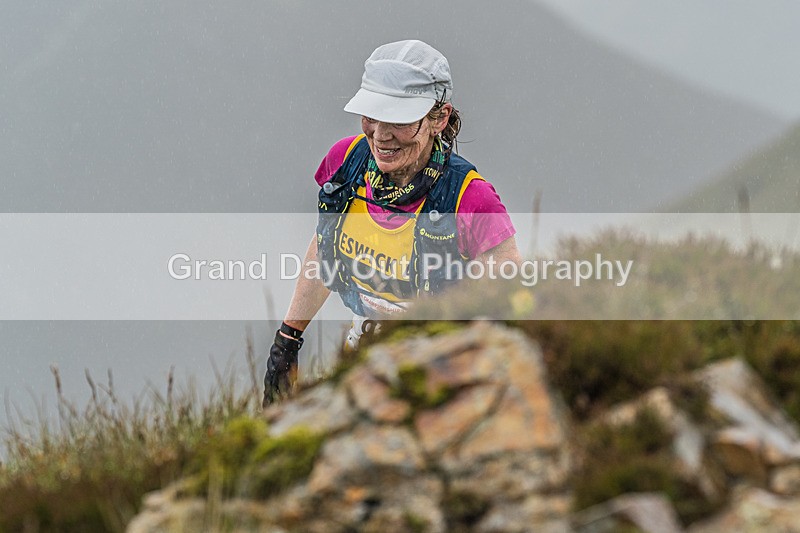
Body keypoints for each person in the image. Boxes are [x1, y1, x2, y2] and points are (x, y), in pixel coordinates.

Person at [263, 40, 521, 406]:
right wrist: (287, 341)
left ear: (439, 118)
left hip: (442, 372)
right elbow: (324, 250)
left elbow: (511, 302)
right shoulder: (346, 162)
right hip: (362, 357)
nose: (381, 135)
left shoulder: (469, 199)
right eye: (371, 115)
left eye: (398, 120)